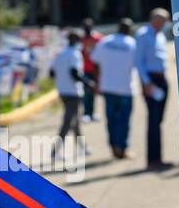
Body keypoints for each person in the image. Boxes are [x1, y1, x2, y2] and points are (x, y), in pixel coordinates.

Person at [133, 8, 173, 170]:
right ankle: (153, 159)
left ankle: (158, 157)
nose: (165, 24)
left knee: (159, 120)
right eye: (163, 20)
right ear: (155, 19)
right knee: (153, 120)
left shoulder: (161, 35)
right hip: (151, 79)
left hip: (162, 78)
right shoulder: (143, 34)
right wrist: (147, 82)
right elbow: (139, 61)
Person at [92, 19, 138, 159]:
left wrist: (97, 82)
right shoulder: (132, 44)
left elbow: (95, 62)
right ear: (129, 30)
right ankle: (122, 148)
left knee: (111, 119)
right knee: (124, 120)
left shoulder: (105, 41)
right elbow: (138, 65)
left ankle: (113, 146)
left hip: (108, 87)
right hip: (125, 88)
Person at [50, 30, 89, 158]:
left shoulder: (59, 53)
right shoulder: (74, 54)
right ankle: (56, 151)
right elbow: (75, 73)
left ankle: (83, 147)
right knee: (68, 121)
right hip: (73, 92)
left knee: (75, 120)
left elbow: (52, 72)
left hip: (62, 91)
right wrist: (88, 83)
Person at [80, 17, 102, 122]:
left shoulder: (98, 38)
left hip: (96, 69)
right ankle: (86, 113)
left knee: (94, 91)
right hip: (85, 69)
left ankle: (92, 113)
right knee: (86, 92)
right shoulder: (81, 39)